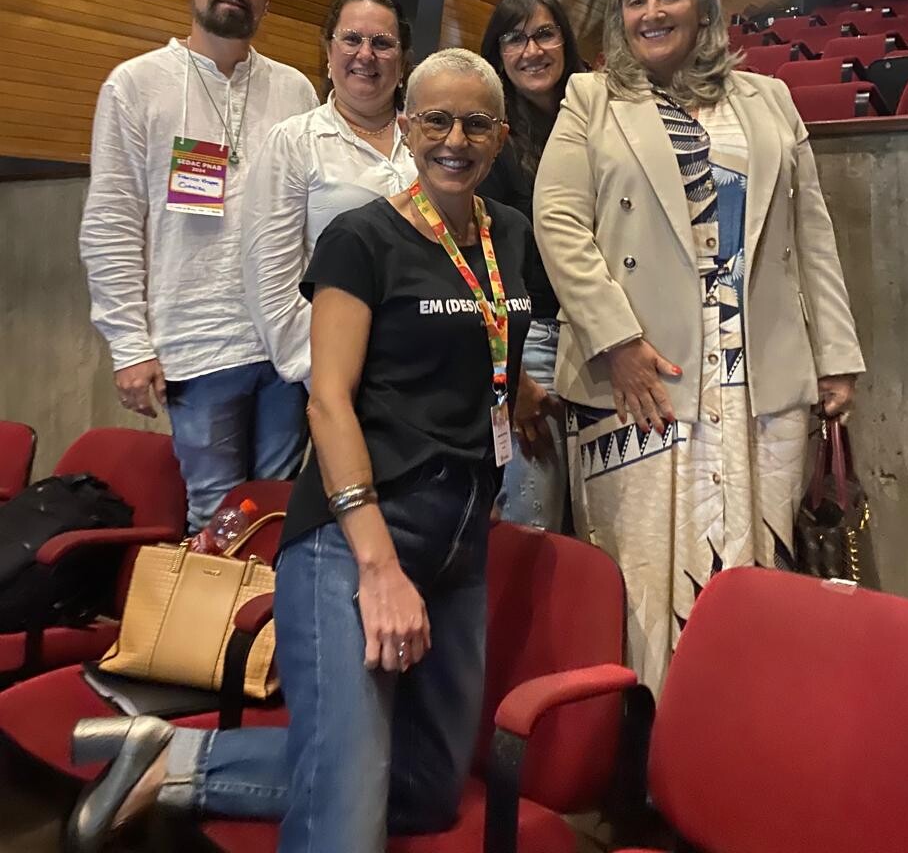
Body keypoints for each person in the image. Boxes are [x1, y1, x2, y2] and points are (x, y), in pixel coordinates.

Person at [68, 49, 553, 853]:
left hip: (459, 543)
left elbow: (482, 337)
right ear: (407, 127)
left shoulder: (512, 235)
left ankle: (173, 755)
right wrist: (378, 568)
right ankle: (220, 768)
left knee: (429, 789)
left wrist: (524, 395)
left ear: (500, 138)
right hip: (351, 538)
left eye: (475, 123)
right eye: (435, 119)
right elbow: (328, 401)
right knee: (344, 827)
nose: (454, 139)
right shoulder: (362, 240)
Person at [533, 0, 864, 695]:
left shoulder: (768, 101)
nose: (653, 11)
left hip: (760, 376)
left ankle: (741, 728)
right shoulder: (591, 100)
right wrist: (616, 340)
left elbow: (811, 232)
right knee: (644, 569)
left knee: (755, 569)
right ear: (619, 18)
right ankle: (649, 739)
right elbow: (557, 222)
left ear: (704, 6)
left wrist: (836, 354)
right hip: (643, 375)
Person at [79, 0, 318, 532]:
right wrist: (130, 346)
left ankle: (266, 630)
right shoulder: (135, 85)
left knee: (279, 510)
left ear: (266, 0)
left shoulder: (295, 90)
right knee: (215, 520)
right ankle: (206, 631)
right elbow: (111, 221)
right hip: (198, 346)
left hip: (286, 345)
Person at [242, 0, 416, 387]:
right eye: (351, 39)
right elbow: (271, 281)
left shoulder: (430, 138)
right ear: (329, 51)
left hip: (427, 368)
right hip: (339, 371)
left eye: (383, 43)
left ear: (403, 62)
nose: (366, 54)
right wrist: (328, 373)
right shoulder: (294, 141)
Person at [479, 0, 581, 530]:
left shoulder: (601, 114)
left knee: (604, 521)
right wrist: (509, 378)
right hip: (532, 341)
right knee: (533, 520)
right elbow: (477, 263)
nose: (531, 51)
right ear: (497, 53)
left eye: (544, 33)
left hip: (602, 338)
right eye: (514, 39)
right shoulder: (487, 134)